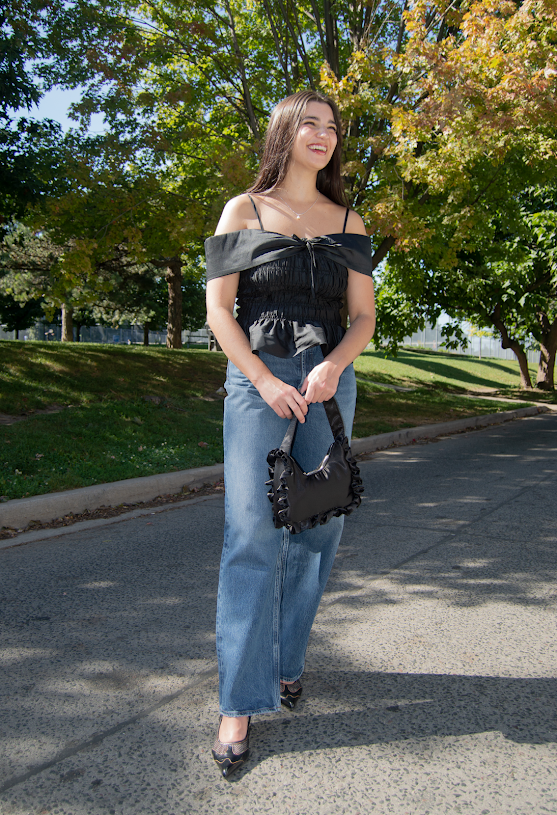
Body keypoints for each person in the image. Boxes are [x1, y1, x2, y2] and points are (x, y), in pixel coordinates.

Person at [204, 89, 376, 778]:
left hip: (329, 382)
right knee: (250, 533)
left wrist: (333, 366)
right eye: (310, 123)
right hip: (258, 378)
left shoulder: (348, 219)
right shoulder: (242, 210)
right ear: (283, 131)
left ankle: (284, 665)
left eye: (332, 127)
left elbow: (362, 316)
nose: (323, 135)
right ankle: (237, 702)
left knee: (317, 526)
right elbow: (219, 313)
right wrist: (265, 380)